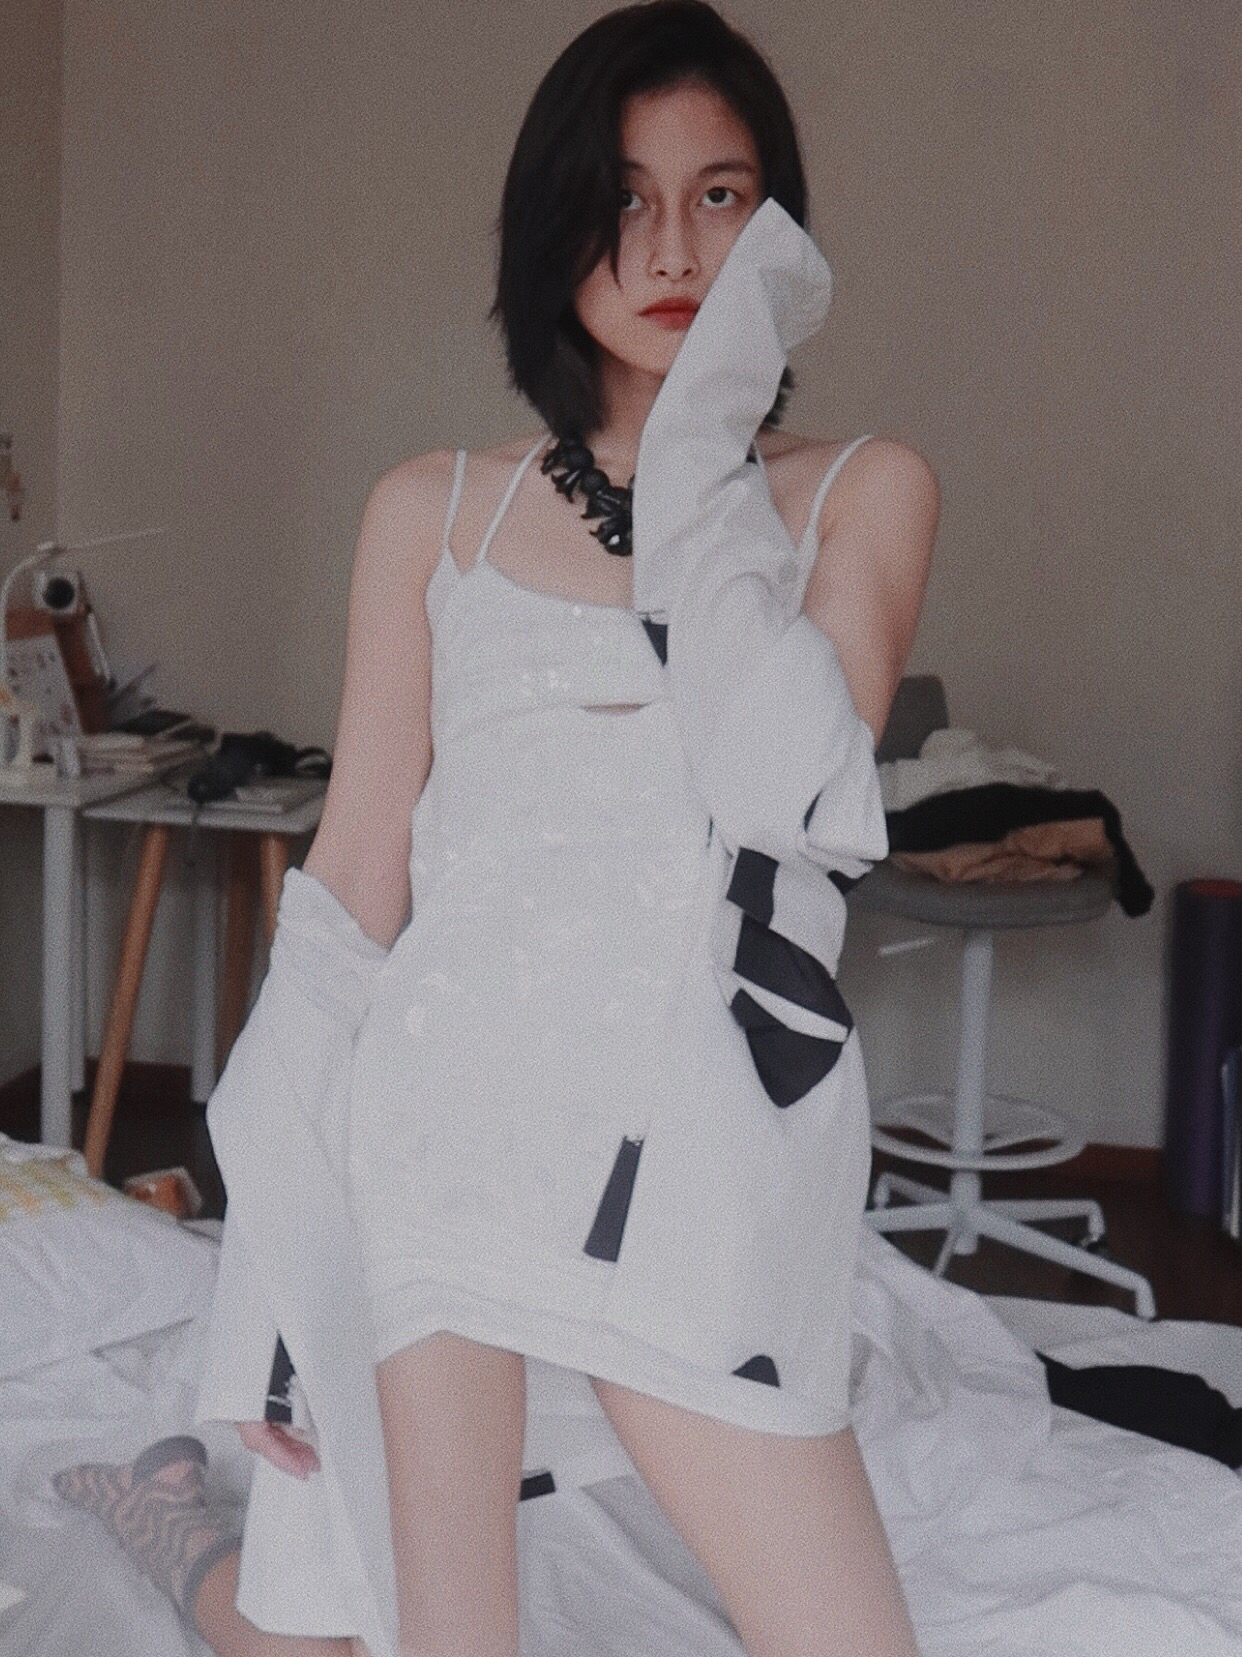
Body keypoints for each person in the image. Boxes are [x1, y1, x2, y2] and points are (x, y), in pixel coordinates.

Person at [56, 5, 937, 1654]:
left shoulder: (856, 491)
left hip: (704, 1159)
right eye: (624, 198)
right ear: (553, 224)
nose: (671, 249)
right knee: (384, 1637)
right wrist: (267, 1285)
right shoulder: (433, 508)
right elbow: (346, 904)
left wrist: (698, 435)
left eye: (721, 198)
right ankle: (173, 1525)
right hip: (447, 1130)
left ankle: (191, 1530)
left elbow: (788, 784)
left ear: (778, 231)